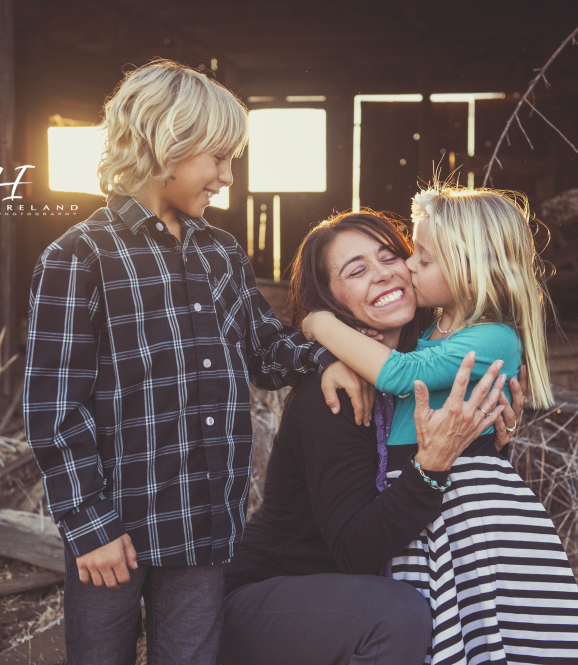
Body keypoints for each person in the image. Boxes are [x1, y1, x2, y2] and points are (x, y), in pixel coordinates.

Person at [23, 60, 371, 665]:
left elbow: (264, 348)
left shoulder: (221, 252)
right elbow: (55, 408)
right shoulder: (77, 257)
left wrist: (324, 360)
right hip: (114, 530)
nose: (227, 178)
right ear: (168, 144)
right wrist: (89, 526)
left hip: (203, 521)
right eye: (218, 159)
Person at [302, 190, 578, 663]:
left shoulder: (493, 337)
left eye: (423, 258)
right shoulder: (429, 332)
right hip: (422, 502)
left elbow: (398, 375)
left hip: (466, 506)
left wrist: (316, 323)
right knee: (440, 624)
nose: (409, 268)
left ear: (467, 267)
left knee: (485, 626)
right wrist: (326, 358)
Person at [219, 212, 526, 665]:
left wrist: (486, 445)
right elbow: (355, 551)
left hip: (356, 599)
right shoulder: (333, 395)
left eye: (391, 256)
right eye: (356, 270)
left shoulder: (427, 367)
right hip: (271, 599)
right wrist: (433, 466)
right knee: (399, 614)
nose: (382, 273)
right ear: (331, 300)